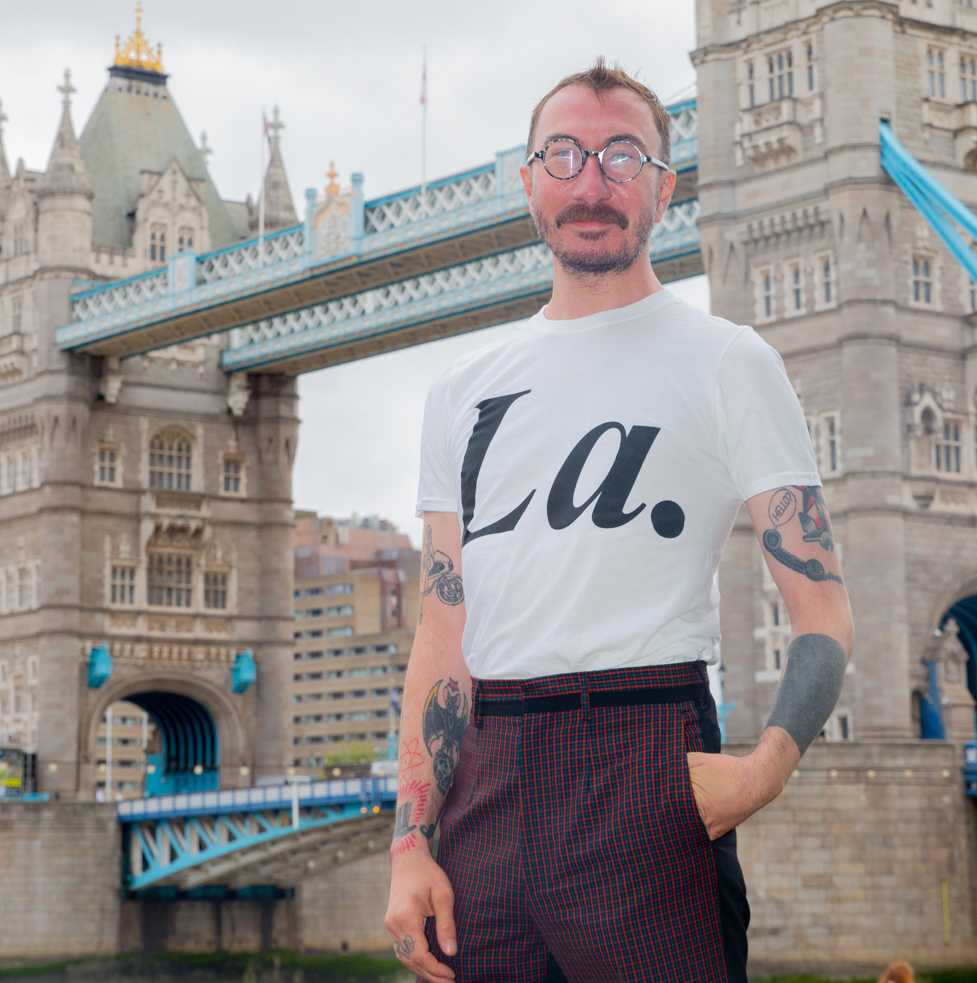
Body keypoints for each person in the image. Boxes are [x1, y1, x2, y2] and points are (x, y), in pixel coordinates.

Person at [383, 57, 854, 983]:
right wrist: (409, 844)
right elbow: (443, 637)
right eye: (561, 156)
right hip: (487, 777)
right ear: (525, 184)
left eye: (619, 155)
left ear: (663, 188)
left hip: (645, 751)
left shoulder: (728, 362)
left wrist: (765, 765)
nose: (589, 181)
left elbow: (824, 613)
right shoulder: (458, 392)